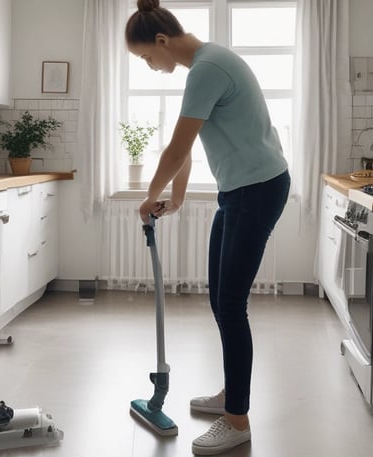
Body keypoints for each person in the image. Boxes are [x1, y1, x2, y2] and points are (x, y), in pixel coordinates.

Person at [125, 0, 291, 455]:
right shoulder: (207, 64)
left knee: (231, 304)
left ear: (161, 41)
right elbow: (192, 145)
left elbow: (176, 147)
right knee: (220, 299)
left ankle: (237, 420)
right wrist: (175, 198)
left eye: (145, 57)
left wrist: (147, 195)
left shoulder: (207, 67)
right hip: (240, 190)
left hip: (257, 189)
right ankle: (230, 396)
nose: (149, 65)